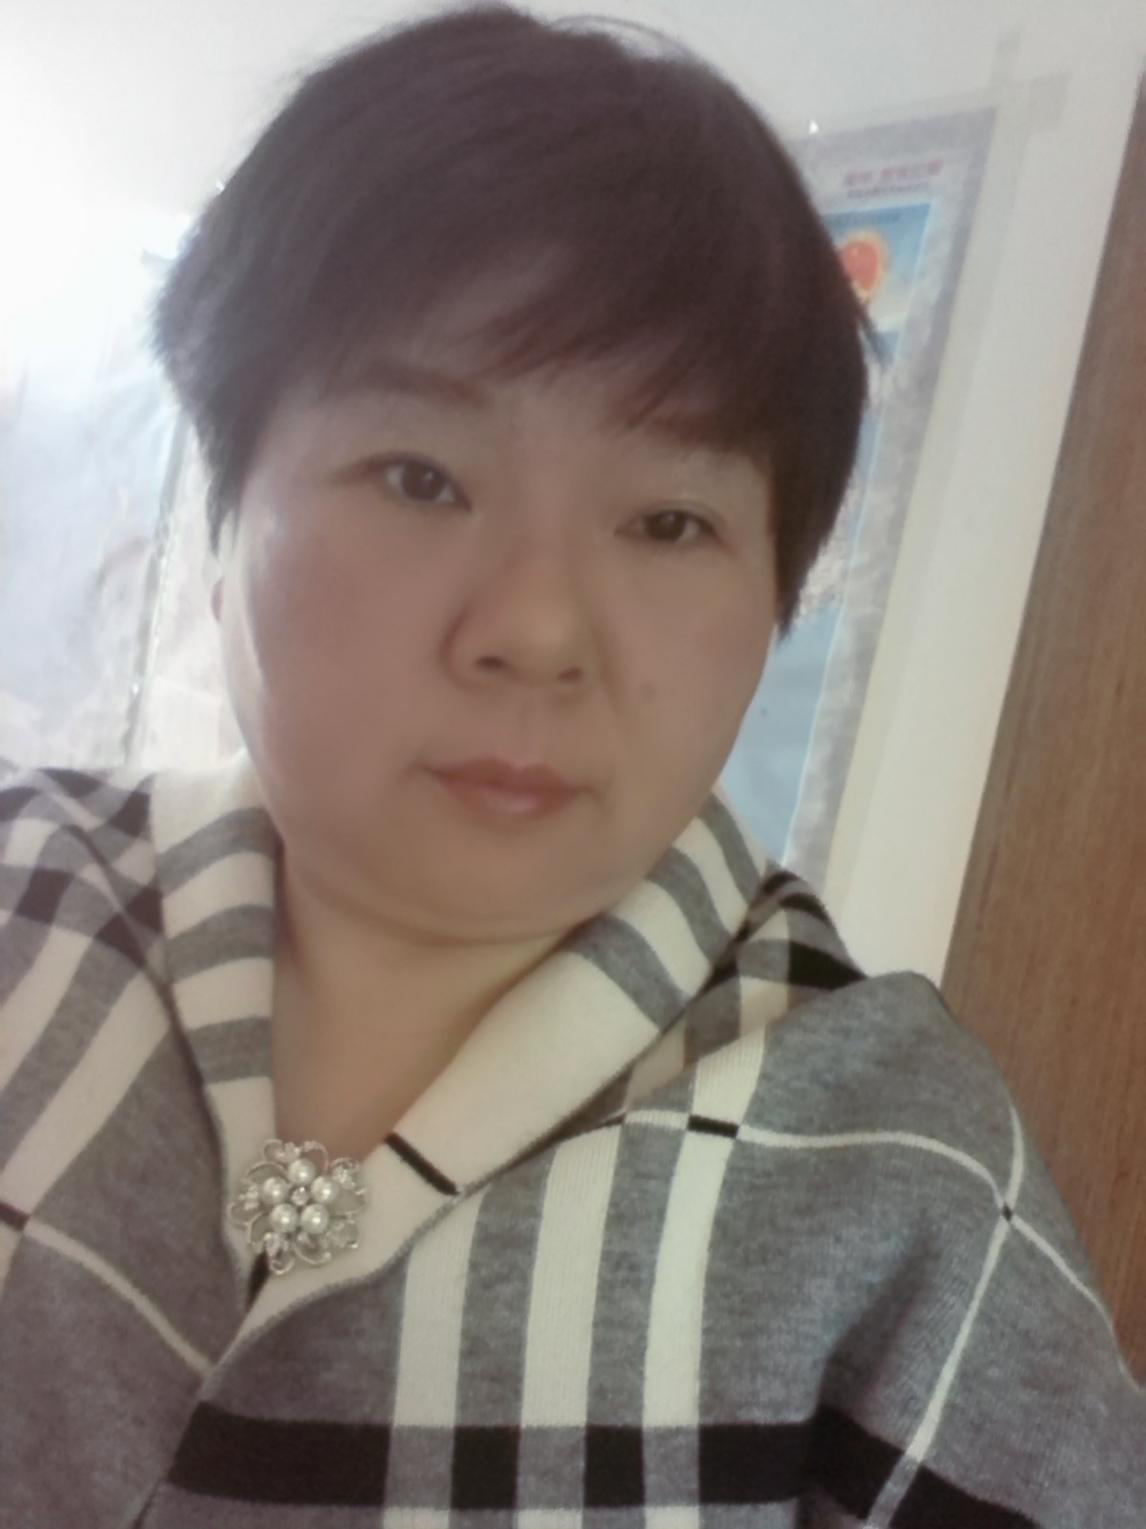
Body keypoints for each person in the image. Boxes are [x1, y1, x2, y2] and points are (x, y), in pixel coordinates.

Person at [1, 4, 1142, 1524]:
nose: (537, 630)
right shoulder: (27, 899)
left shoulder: (897, 1176)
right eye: (420, 477)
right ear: (222, 517)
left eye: (669, 521)